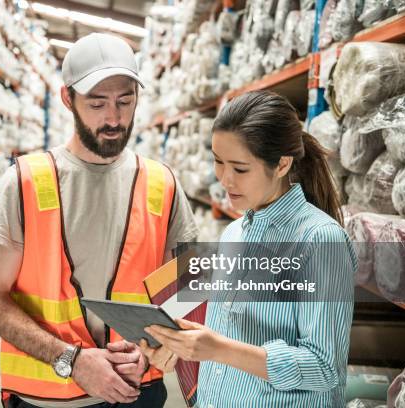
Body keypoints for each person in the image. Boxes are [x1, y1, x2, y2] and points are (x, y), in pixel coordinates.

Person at [0, 33, 198, 408]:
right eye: (97, 104)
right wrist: (71, 360)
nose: (113, 118)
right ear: (68, 99)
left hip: (137, 394)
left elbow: (191, 287)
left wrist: (153, 348)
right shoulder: (24, 182)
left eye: (124, 101)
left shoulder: (163, 184)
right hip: (45, 398)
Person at [141, 91, 357, 407]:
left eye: (240, 169)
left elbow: (324, 369)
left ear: (282, 164)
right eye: (217, 162)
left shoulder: (320, 240)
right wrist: (181, 346)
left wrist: (218, 349)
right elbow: (228, 333)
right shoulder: (233, 234)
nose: (225, 180)